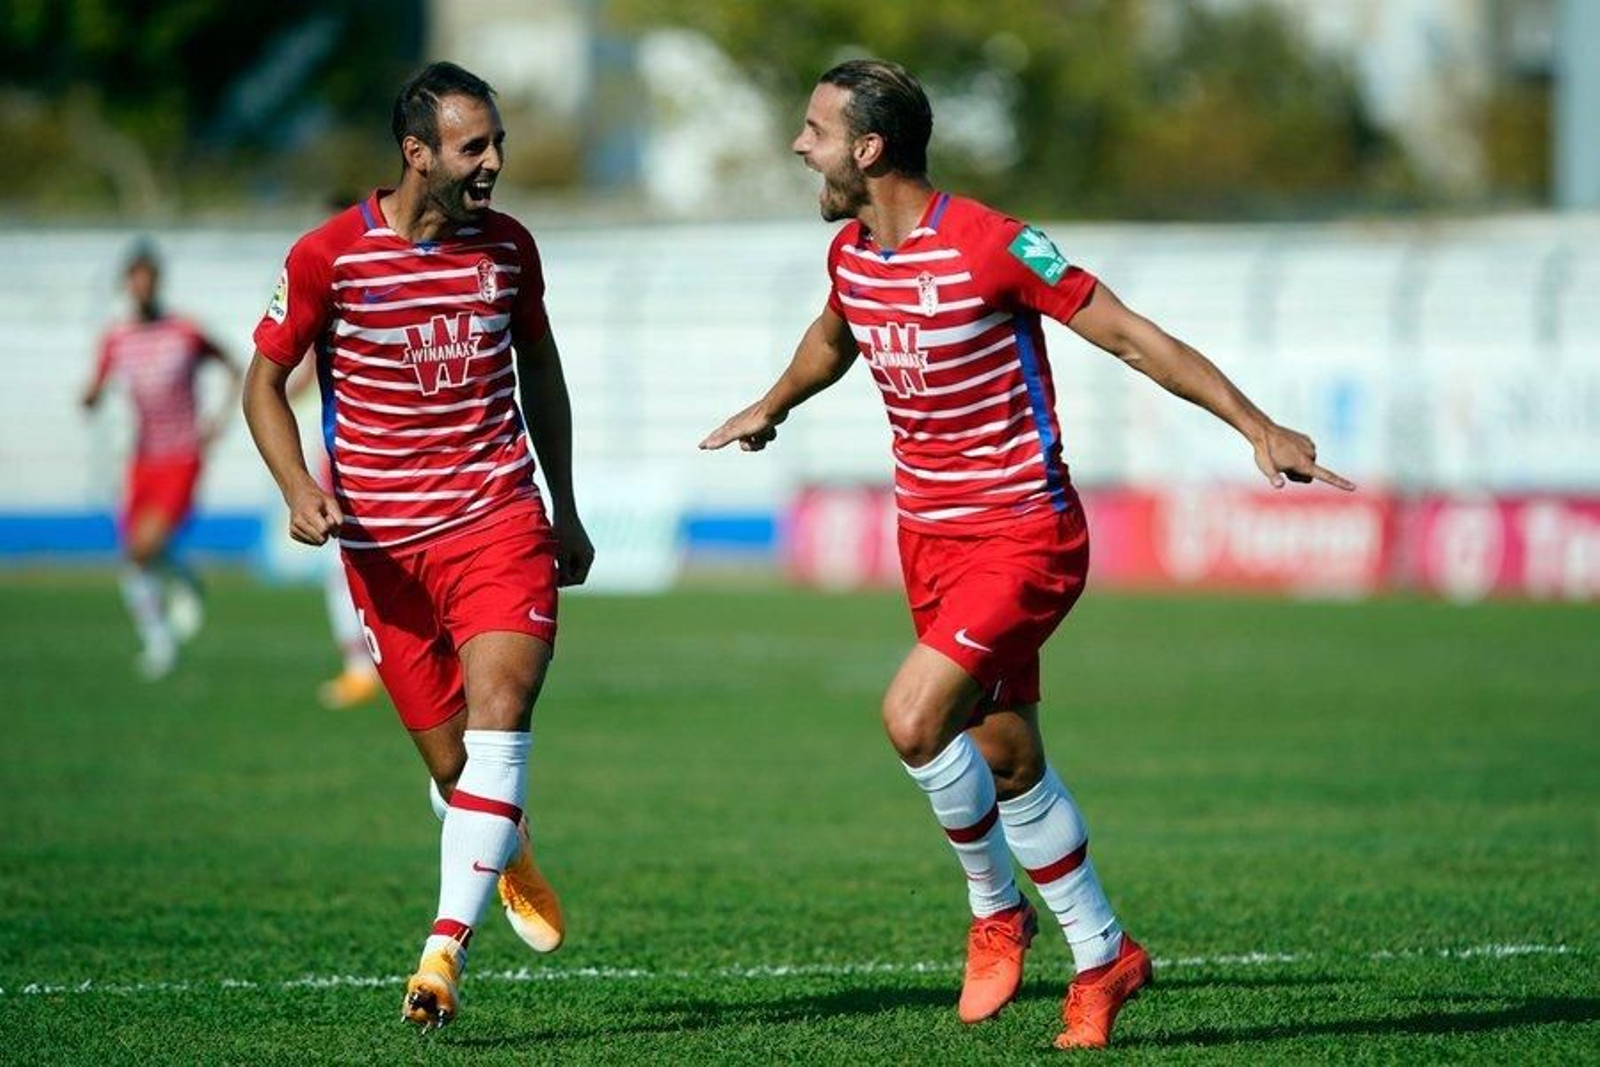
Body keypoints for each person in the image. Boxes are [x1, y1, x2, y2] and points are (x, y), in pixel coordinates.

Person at [701, 59, 1354, 1051]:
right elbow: (833, 337)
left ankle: (992, 908)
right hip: (926, 536)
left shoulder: (996, 246)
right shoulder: (850, 254)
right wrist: (771, 402)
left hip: (1024, 535)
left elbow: (1130, 336)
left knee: (913, 718)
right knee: (1005, 753)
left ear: (868, 150)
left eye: (815, 130)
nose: (802, 146)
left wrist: (1255, 425)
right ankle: (1104, 956)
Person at [241, 61, 594, 1030]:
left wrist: (563, 505)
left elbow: (544, 374)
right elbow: (262, 384)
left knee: (503, 710)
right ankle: (504, 845)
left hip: (499, 523)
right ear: (417, 152)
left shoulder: (509, 250)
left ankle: (441, 951)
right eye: (473, 146)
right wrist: (298, 486)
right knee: (454, 770)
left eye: (497, 143)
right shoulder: (327, 257)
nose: (493, 163)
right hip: (385, 551)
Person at [82, 242, 241, 680]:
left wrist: (217, 420)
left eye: (149, 277)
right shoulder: (117, 338)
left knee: (141, 550)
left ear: (158, 281)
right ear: (127, 285)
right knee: (133, 558)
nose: (142, 285)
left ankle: (162, 641)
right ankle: (168, 617)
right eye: (135, 278)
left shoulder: (184, 331)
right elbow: (94, 388)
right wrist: (90, 398)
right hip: (142, 459)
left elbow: (234, 366)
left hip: (182, 455)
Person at [286, 356, 382, 710]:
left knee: (343, 564)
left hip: (360, 446)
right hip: (350, 441)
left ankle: (361, 668)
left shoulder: (343, 307)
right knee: (342, 565)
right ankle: (362, 666)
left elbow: (300, 377)